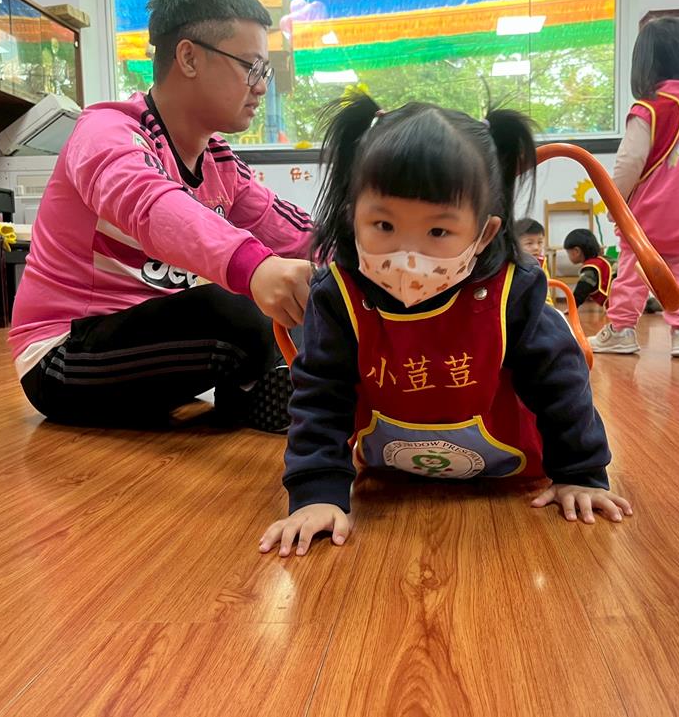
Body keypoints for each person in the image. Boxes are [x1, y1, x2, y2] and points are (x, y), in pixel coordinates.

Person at [259, 92, 631, 557]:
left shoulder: (512, 290)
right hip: (390, 479)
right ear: (353, 215)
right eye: (384, 226)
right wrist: (316, 494)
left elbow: (560, 380)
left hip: (508, 481)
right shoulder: (339, 294)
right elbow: (320, 393)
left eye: (438, 231)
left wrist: (581, 474)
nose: (407, 255)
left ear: (485, 233)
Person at [9, 0, 315, 431]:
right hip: (63, 359)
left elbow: (294, 232)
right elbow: (153, 205)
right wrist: (255, 268)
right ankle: (259, 391)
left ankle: (262, 389)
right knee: (241, 308)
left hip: (154, 344)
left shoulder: (220, 163)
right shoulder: (106, 133)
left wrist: (375, 254)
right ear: (189, 57)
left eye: (264, 73)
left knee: (306, 297)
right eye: (252, 67)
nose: (261, 87)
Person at [592, 17, 679, 358]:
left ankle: (621, 330)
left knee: (632, 273)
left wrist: (615, 205)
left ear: (645, 62)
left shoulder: (648, 111)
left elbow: (628, 164)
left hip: (649, 218)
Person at [563, 228, 612, 307]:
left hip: (620, 301)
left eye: (568, 252)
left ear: (576, 251)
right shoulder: (603, 261)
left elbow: (581, 290)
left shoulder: (590, 268)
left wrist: (571, 307)